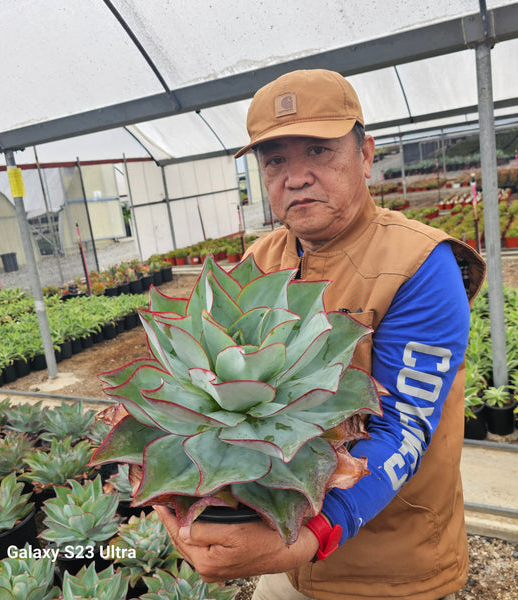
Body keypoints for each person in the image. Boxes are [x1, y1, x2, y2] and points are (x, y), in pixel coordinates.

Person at [153, 69, 486, 600]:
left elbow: (404, 427)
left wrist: (314, 533)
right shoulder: (261, 260)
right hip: (284, 552)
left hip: (389, 566)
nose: (296, 177)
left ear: (366, 154)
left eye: (318, 151)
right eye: (275, 161)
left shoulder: (420, 262)